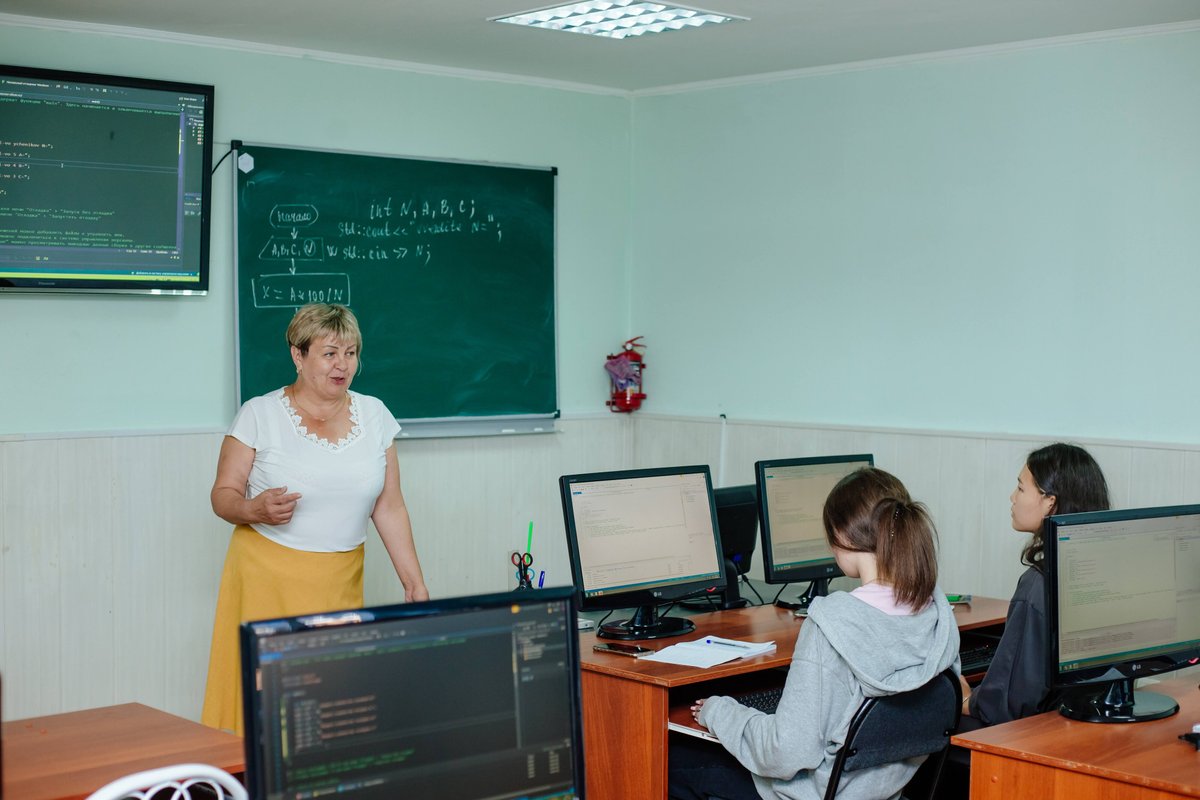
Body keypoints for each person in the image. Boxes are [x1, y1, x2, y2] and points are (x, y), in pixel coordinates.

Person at [201, 303, 428, 734]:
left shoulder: (375, 415)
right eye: (329, 353)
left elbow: (389, 505)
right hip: (266, 579)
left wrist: (413, 583)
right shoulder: (259, 414)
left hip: (339, 580)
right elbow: (223, 495)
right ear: (298, 355)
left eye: (351, 353)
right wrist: (252, 509)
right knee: (266, 708)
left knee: (332, 707)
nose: (343, 364)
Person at [668, 468, 960, 800]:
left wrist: (720, 712)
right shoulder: (937, 616)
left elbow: (787, 753)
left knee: (671, 758)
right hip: (885, 792)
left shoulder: (829, 624)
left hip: (812, 793)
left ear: (843, 535)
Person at [960, 442, 1110, 727]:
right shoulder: (1103, 571)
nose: (1012, 497)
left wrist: (967, 699)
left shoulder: (1038, 585)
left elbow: (1007, 706)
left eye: (1020, 488)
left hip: (1033, 733)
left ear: (1050, 501)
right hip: (1078, 722)